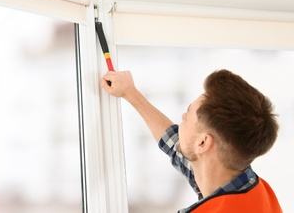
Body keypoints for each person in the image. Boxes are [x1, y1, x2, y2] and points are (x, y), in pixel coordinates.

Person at [100, 69, 282, 213]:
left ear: (203, 143)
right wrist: (131, 94)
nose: (183, 116)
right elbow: (175, 145)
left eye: (188, 114)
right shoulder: (256, 189)